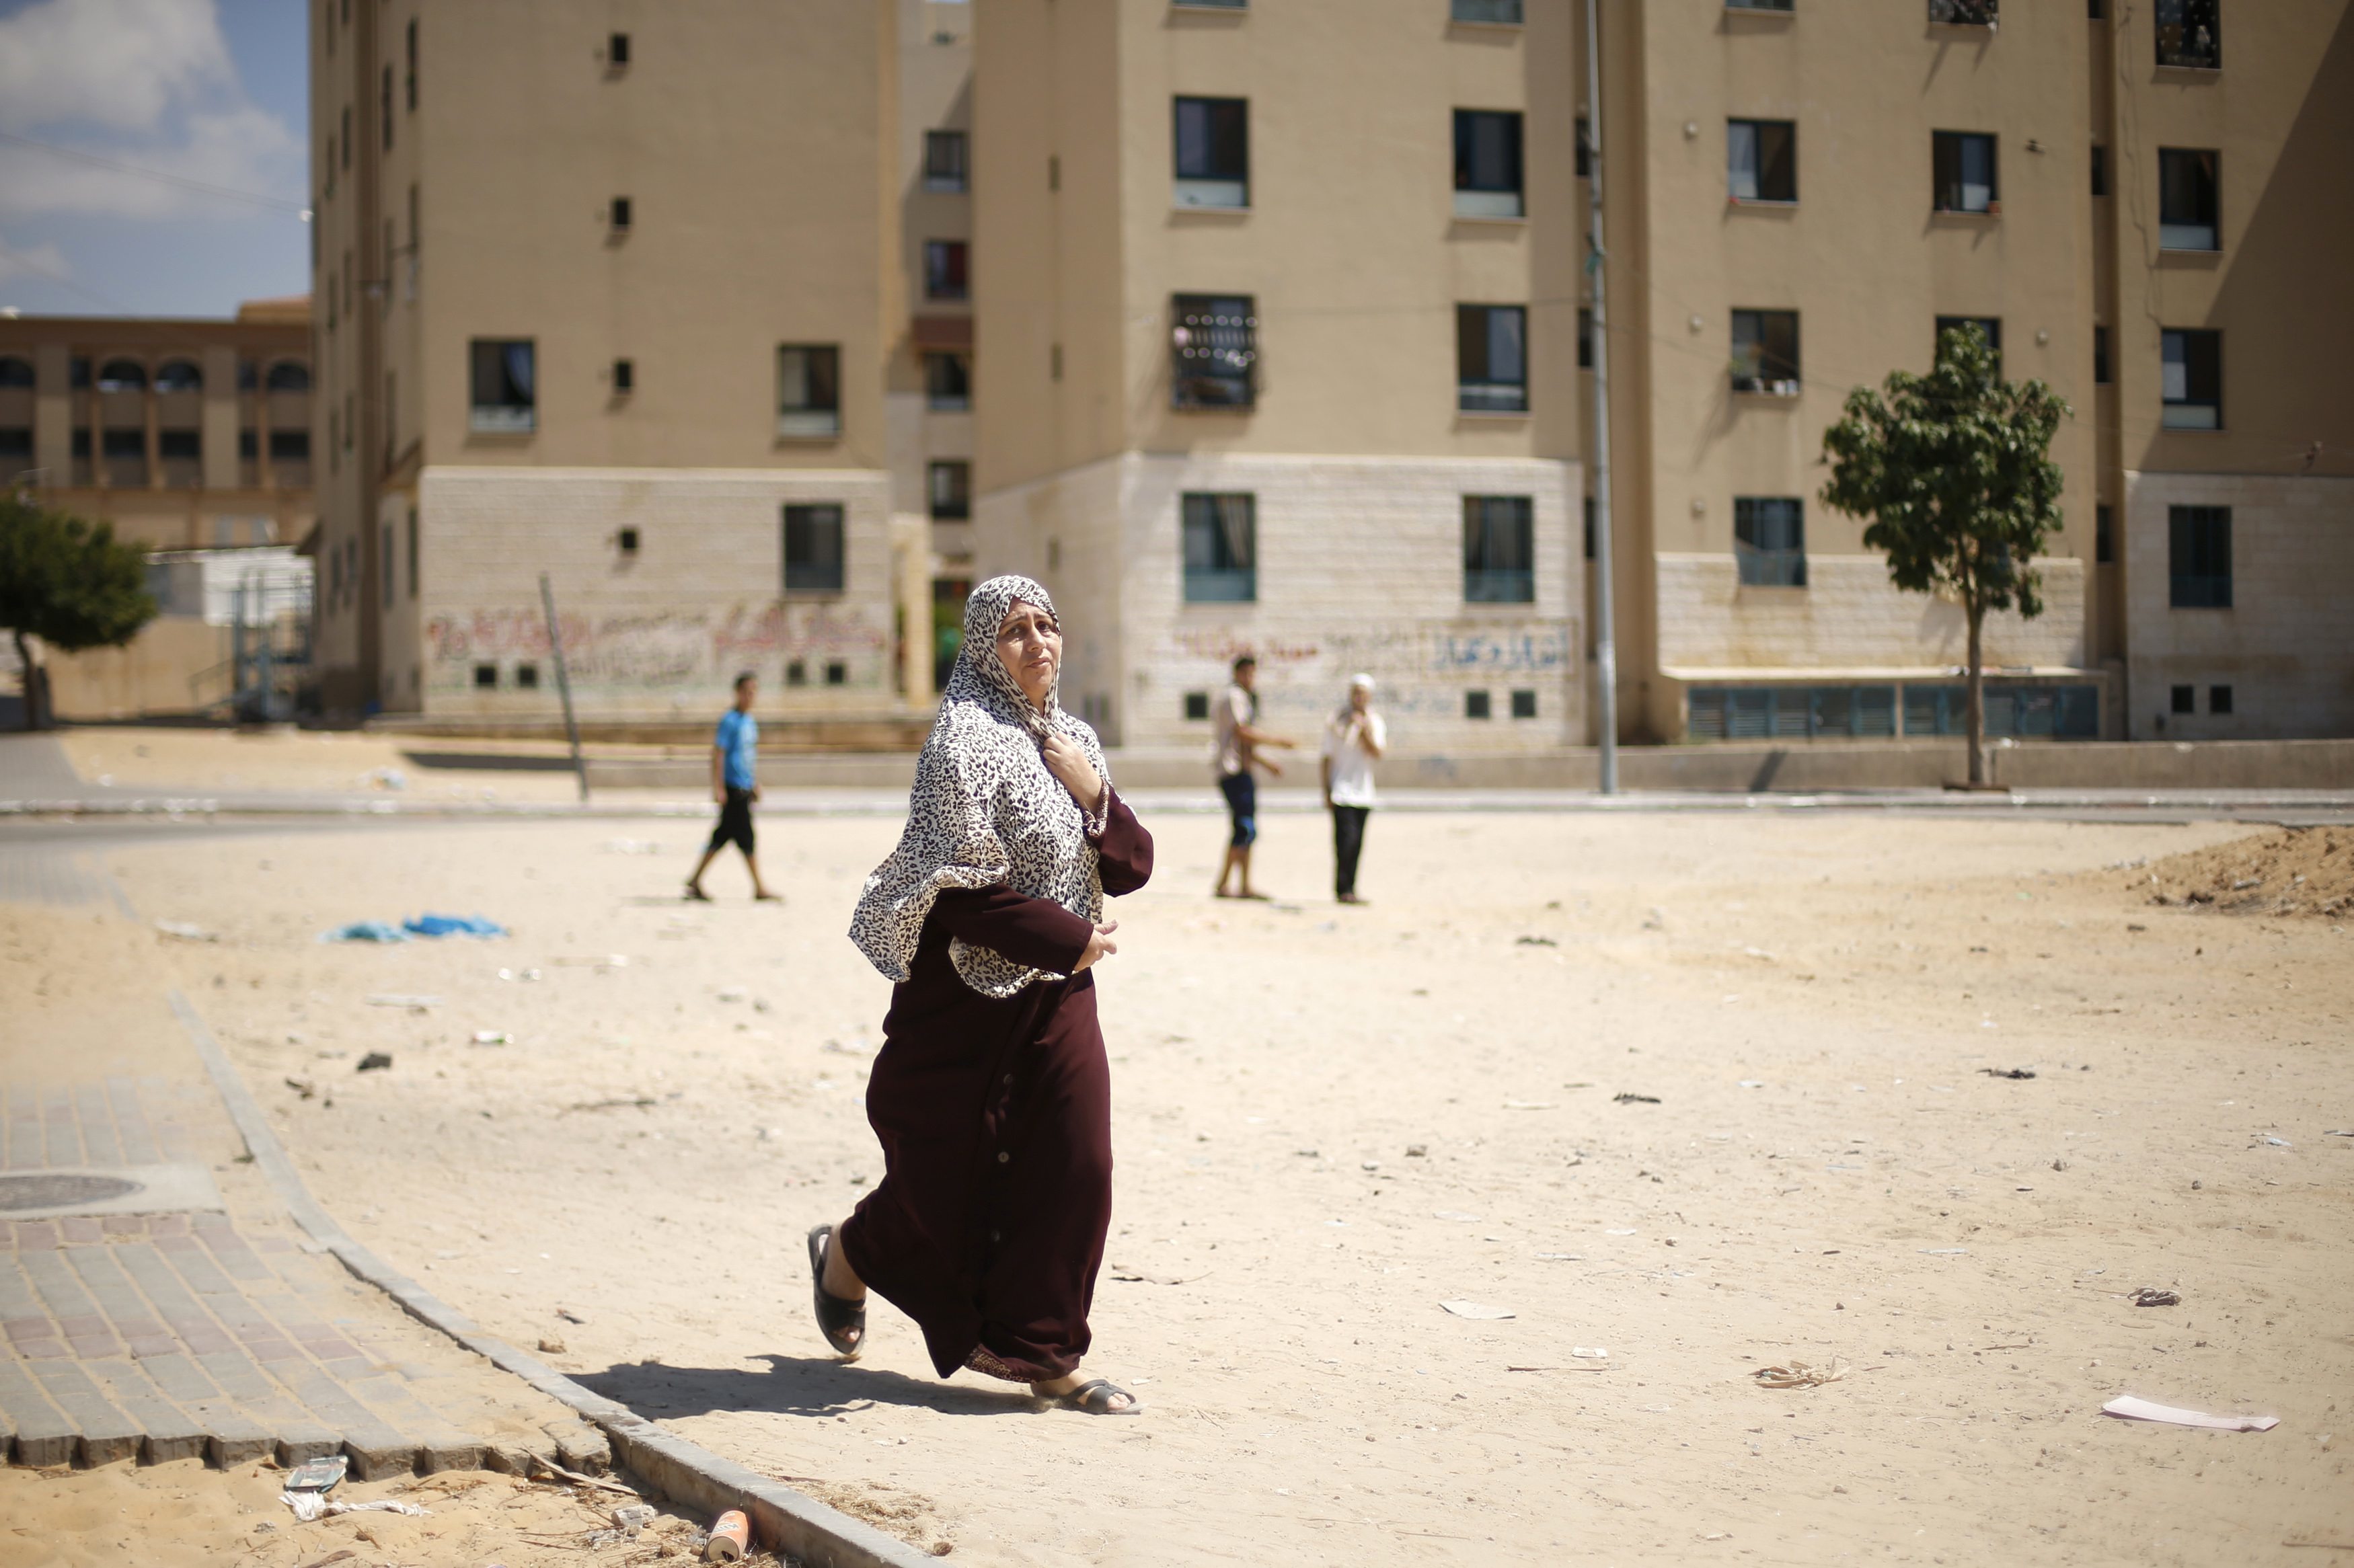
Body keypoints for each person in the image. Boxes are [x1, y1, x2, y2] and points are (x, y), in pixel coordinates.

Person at [817, 574, 1155, 1415]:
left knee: (1079, 1165)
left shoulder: (1073, 738)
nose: (1037, 642)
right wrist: (1065, 935)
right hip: (967, 1001)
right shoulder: (958, 743)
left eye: (1047, 623)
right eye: (1013, 631)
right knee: (949, 1177)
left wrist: (1092, 792)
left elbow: (1132, 864)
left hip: (1061, 994)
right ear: (980, 648)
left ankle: (1051, 1354)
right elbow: (953, 889)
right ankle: (851, 1252)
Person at [685, 672, 777, 902]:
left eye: (754, 691)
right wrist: (718, 787)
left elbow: (747, 756)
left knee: (722, 836)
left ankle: (695, 879)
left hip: (745, 786)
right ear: (738, 693)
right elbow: (718, 753)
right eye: (747, 691)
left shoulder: (750, 722)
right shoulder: (730, 721)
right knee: (746, 837)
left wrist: (754, 782)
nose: (751, 696)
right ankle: (759, 887)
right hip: (733, 787)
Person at [1211, 654, 1295, 900]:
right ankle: (1224, 883)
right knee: (1243, 828)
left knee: (1245, 829)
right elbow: (1242, 732)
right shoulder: (1234, 696)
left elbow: (1243, 743)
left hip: (1241, 770)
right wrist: (1277, 741)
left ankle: (1242, 884)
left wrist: (1267, 763)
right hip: (1233, 771)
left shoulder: (1240, 697)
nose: (1250, 678)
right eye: (1247, 673)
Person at [1320, 673, 1386, 904]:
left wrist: (1364, 730)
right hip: (1341, 790)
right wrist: (1325, 789)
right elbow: (1326, 756)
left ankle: (1350, 888)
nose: (1358, 697)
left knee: (1357, 843)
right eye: (1355, 693)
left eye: (1363, 693)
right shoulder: (1336, 720)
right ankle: (1342, 889)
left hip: (1364, 792)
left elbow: (1377, 753)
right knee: (1345, 841)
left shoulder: (1375, 721)